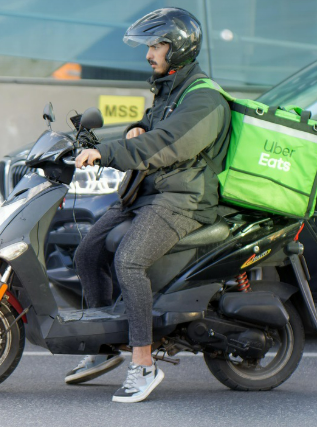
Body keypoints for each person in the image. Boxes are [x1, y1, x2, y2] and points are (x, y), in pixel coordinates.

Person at [67, 7, 230, 403]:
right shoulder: (170, 88)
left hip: (183, 200)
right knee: (87, 253)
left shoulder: (205, 99)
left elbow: (167, 144)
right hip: (146, 192)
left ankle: (143, 364)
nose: (148, 54)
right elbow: (151, 130)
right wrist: (134, 128)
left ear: (178, 47)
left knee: (129, 261)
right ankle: (105, 346)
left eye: (156, 46)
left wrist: (106, 152)